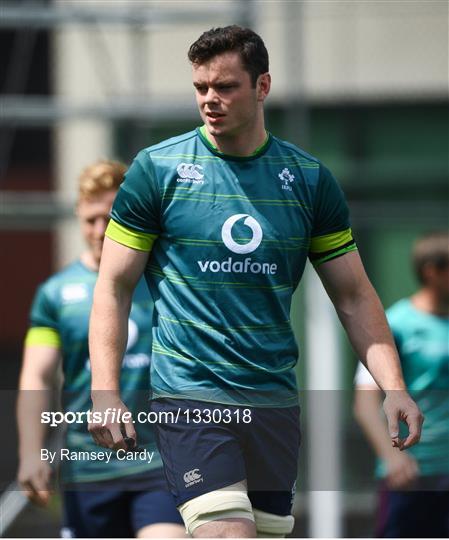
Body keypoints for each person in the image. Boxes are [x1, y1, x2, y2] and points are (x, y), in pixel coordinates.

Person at [88, 26, 423, 538]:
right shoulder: (157, 171)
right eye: (201, 88)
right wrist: (105, 391)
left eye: (225, 87)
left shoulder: (309, 181)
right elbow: (113, 286)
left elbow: (353, 295)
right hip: (190, 397)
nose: (210, 100)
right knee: (228, 532)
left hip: (273, 403)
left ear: (262, 86)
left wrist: (393, 386)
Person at [17, 160, 185, 538]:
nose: (99, 230)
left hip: (159, 461)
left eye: (109, 218)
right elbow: (37, 375)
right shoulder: (56, 294)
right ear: (78, 215)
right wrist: (32, 451)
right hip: (88, 467)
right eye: (90, 219)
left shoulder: (162, 283)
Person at [354, 231, 449, 538]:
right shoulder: (396, 324)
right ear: (432, 272)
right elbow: (365, 403)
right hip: (414, 476)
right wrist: (392, 456)